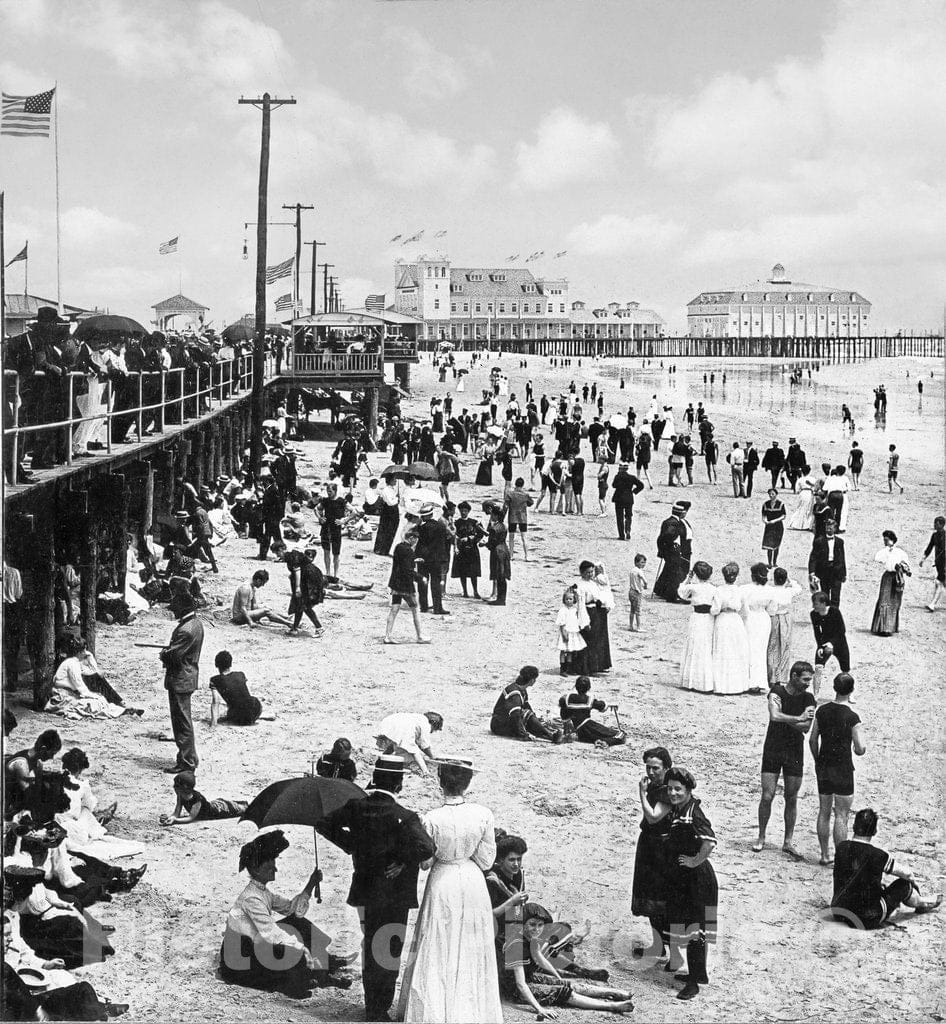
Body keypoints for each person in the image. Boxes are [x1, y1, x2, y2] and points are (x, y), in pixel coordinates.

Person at [316, 756, 436, 1022]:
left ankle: (372, 1007)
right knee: (389, 950)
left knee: (370, 945)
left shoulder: (356, 807)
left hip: (366, 889)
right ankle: (380, 1009)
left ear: (375, 779)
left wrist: (352, 845)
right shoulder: (404, 817)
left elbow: (323, 824)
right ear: (399, 784)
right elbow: (427, 848)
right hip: (395, 895)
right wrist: (403, 860)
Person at [397, 759, 502, 1023]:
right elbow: (487, 861)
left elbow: (425, 862)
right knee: (471, 943)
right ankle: (471, 1010)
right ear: (467, 783)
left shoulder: (431, 818)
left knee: (438, 942)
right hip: (471, 880)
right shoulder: (483, 814)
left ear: (440, 781)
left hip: (442, 880)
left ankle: (437, 1011)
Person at [219, 830, 347, 997]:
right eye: (270, 866)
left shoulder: (262, 892)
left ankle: (323, 967)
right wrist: (303, 949)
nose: (276, 869)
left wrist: (311, 884)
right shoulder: (252, 899)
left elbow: (291, 909)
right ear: (256, 870)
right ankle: (306, 977)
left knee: (299, 924)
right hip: (240, 959)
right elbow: (271, 934)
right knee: (290, 951)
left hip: (255, 942)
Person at [496, 901, 634, 1015]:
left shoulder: (533, 937)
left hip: (528, 976)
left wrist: (558, 977)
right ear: (523, 924)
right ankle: (611, 1006)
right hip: (513, 989)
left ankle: (612, 992)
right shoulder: (515, 945)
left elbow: (540, 958)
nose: (536, 929)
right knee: (562, 992)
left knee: (565, 984)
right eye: (532, 924)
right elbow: (520, 984)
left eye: (540, 925)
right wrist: (540, 1009)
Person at [2, 904, 129, 1022]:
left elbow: (25, 953)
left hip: (28, 998)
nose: (11, 939)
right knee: (78, 992)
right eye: (6, 935)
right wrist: (38, 1011)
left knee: (79, 988)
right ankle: (102, 1010)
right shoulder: (5, 968)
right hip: (27, 1011)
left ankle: (101, 1008)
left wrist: (46, 964)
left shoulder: (11, 920)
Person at [830, 809, 941, 929]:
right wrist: (913, 884)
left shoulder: (841, 847)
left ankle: (920, 902)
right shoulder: (878, 855)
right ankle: (921, 903)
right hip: (866, 919)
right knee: (904, 885)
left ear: (854, 826)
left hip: (839, 912)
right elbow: (907, 874)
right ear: (874, 831)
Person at [662, 767, 718, 1001]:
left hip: (697, 880)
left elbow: (710, 841)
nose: (673, 793)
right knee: (691, 927)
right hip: (685, 879)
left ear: (688, 790)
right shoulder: (680, 809)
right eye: (670, 788)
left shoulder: (694, 812)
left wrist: (694, 861)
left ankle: (693, 983)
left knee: (696, 930)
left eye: (678, 789)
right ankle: (699, 973)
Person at [753, 661, 816, 859]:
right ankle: (761, 836)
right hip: (773, 748)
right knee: (767, 795)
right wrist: (798, 718)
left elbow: (806, 727)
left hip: (794, 751)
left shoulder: (809, 698)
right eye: (805, 679)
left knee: (791, 797)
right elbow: (774, 716)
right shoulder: (777, 690)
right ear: (794, 676)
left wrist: (789, 718)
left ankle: (787, 841)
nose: (808, 683)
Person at [809, 673, 866, 865]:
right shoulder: (852, 716)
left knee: (823, 811)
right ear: (851, 690)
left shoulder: (822, 711)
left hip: (824, 765)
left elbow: (812, 739)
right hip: (842, 767)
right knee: (841, 815)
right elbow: (859, 748)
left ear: (834, 688)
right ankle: (841, 859)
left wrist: (818, 760)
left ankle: (825, 854)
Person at [631, 747, 673, 962]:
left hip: (662, 848)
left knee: (660, 900)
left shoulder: (668, 790)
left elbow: (654, 817)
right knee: (649, 898)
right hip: (649, 844)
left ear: (666, 767)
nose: (651, 772)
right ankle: (659, 947)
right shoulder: (656, 786)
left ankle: (669, 950)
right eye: (648, 767)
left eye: (655, 768)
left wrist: (641, 793)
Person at [159, 593, 203, 775]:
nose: (173, 611)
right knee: (184, 721)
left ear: (182, 608)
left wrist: (164, 654)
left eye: (175, 608)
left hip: (180, 679)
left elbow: (175, 656)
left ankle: (186, 761)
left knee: (181, 723)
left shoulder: (185, 630)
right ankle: (189, 757)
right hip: (187, 677)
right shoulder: (196, 624)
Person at [44, 637, 138, 720]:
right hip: (64, 694)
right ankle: (122, 709)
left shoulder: (75, 662)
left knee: (98, 686)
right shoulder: (72, 664)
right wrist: (93, 695)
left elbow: (93, 671)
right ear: (79, 652)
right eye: (84, 651)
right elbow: (79, 685)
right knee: (96, 702)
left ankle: (121, 707)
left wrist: (90, 656)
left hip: (72, 691)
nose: (85, 653)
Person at [490, 666, 563, 743]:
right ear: (531, 680)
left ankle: (550, 736)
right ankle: (551, 736)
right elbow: (515, 714)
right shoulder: (515, 693)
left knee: (530, 718)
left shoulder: (521, 689)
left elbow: (526, 707)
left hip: (505, 721)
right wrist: (523, 734)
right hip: (499, 725)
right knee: (527, 715)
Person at [709, 563, 750, 695]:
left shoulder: (719, 590)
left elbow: (715, 610)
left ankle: (722, 685)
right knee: (736, 651)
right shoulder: (740, 591)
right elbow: (745, 611)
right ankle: (736, 685)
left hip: (723, 620)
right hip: (735, 621)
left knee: (722, 650)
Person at [384, 529, 430, 645]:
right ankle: (419, 636)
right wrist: (421, 578)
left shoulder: (398, 547)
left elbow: (402, 562)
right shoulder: (409, 551)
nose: (415, 543)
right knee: (415, 609)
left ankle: (387, 636)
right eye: (415, 540)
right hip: (405, 585)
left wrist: (414, 560)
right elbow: (408, 570)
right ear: (411, 538)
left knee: (394, 609)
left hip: (395, 583)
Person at [4, 729, 62, 819]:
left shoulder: (35, 759)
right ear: (43, 749)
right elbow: (29, 796)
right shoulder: (21, 763)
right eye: (52, 753)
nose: (52, 757)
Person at [678, 562, 716, 693]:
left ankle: (692, 680)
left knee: (694, 646)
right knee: (706, 647)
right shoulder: (713, 588)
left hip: (697, 617)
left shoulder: (693, 587)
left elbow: (681, 593)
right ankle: (706, 682)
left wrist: (688, 578)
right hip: (709, 618)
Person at [159, 771, 247, 825]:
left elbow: (191, 818)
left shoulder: (197, 799)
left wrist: (176, 821)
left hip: (217, 810)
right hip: (214, 805)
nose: (174, 787)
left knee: (241, 809)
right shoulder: (180, 796)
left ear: (184, 788)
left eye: (176, 786)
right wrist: (170, 818)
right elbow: (176, 813)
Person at [209, 650, 270, 727]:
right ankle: (259, 715)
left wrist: (213, 724)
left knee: (231, 710)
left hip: (239, 717)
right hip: (255, 710)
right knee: (244, 703)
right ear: (230, 664)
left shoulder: (215, 680)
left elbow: (215, 702)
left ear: (216, 665)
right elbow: (244, 693)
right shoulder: (241, 674)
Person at [557, 676, 626, 745]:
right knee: (620, 735)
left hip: (575, 730)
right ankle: (605, 742)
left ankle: (570, 736)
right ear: (588, 688)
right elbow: (601, 706)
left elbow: (563, 713)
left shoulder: (567, 698)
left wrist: (567, 724)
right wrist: (609, 704)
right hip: (587, 727)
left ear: (576, 686)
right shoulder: (589, 700)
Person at [765, 567, 802, 688]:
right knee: (785, 646)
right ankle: (782, 676)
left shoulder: (771, 591)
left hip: (774, 618)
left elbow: (771, 608)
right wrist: (790, 580)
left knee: (772, 647)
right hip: (785, 618)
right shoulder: (788, 591)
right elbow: (798, 588)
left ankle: (772, 677)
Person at [374, 711, 443, 776]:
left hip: (388, 722)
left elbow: (396, 742)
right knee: (410, 754)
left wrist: (384, 755)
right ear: (433, 723)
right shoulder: (425, 723)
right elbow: (424, 745)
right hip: (400, 726)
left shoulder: (416, 718)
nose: (432, 732)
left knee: (397, 743)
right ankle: (425, 772)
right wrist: (432, 757)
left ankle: (381, 760)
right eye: (434, 729)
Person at [575, 561, 613, 674]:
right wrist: (584, 621)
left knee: (600, 639)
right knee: (590, 639)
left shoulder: (594, 582)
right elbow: (581, 605)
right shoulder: (580, 585)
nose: (590, 574)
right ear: (581, 573)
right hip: (588, 612)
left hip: (598, 611)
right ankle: (589, 667)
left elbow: (604, 589)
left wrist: (606, 604)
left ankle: (600, 665)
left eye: (592, 572)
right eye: (587, 572)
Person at [870, 529, 911, 636]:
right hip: (887, 577)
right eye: (884, 540)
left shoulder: (900, 552)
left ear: (892, 540)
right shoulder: (884, 551)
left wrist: (901, 567)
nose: (885, 542)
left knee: (894, 601)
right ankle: (882, 628)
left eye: (886, 540)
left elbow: (906, 565)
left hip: (897, 578)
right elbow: (877, 558)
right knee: (884, 600)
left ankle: (889, 627)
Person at [810, 591, 851, 694]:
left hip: (839, 642)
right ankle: (815, 694)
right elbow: (817, 632)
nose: (813, 606)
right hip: (824, 643)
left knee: (845, 669)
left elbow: (842, 630)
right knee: (818, 668)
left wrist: (831, 643)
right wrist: (820, 646)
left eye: (816, 604)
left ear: (823, 603)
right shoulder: (813, 614)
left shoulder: (835, 612)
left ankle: (849, 693)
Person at [741, 563, 772, 695]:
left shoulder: (745, 589)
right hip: (764, 619)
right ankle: (759, 681)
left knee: (749, 649)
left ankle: (749, 681)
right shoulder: (769, 590)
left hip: (751, 619)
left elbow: (743, 607)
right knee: (760, 651)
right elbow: (772, 609)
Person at [416, 503, 452, 616]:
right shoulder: (441, 526)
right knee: (436, 584)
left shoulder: (422, 528)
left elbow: (419, 544)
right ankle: (437, 607)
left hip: (424, 559)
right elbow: (446, 542)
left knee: (422, 582)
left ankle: (423, 606)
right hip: (436, 559)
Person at [653, 501, 693, 603]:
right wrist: (674, 544)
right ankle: (672, 595)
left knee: (669, 570)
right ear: (681, 513)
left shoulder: (671, 521)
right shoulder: (674, 523)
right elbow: (667, 536)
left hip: (673, 551)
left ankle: (660, 590)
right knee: (677, 573)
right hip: (675, 552)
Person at [285, 549, 325, 637]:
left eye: (277, 553)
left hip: (310, 580)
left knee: (305, 606)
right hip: (307, 579)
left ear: (281, 550)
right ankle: (294, 628)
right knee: (300, 605)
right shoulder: (293, 555)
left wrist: (298, 587)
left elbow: (297, 570)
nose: (277, 555)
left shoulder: (292, 557)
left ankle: (319, 628)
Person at [451, 501, 486, 599]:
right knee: (462, 571)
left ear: (468, 511)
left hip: (472, 549)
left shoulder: (474, 522)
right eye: (462, 511)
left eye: (465, 511)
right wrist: (457, 542)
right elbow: (453, 536)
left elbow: (481, 533)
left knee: (473, 572)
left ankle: (475, 591)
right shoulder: (456, 523)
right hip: (461, 549)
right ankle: (465, 591)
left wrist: (471, 539)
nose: (463, 513)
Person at [808, 518, 846, 607]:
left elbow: (842, 558)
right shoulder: (819, 541)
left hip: (836, 571)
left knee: (836, 596)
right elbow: (813, 557)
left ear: (835, 529)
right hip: (824, 571)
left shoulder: (840, 542)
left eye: (831, 528)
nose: (828, 530)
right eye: (827, 528)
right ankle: (826, 616)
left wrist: (844, 574)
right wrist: (812, 572)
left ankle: (834, 616)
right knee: (825, 595)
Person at [316, 482, 348, 579]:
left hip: (336, 529)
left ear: (335, 491)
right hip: (326, 528)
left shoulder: (341, 501)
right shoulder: (325, 500)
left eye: (330, 491)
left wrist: (344, 520)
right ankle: (328, 572)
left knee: (336, 553)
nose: (328, 493)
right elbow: (316, 509)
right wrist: (320, 518)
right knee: (326, 551)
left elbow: (354, 511)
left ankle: (336, 574)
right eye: (327, 491)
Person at [556, 587, 588, 676]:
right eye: (566, 599)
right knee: (563, 651)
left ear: (574, 600)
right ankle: (562, 669)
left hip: (573, 632)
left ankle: (569, 668)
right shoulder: (562, 610)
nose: (568, 601)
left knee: (570, 651)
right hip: (566, 632)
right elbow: (561, 624)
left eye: (570, 599)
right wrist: (563, 634)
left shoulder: (574, 610)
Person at [483, 503, 511, 606]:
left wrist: (484, 544)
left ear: (495, 515)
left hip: (497, 551)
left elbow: (492, 543)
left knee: (499, 575)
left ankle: (500, 599)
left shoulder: (495, 528)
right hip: (504, 549)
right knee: (502, 576)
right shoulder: (503, 526)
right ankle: (501, 598)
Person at [611, 462, 644, 541]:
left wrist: (618, 474)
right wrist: (634, 491)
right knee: (628, 515)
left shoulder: (617, 476)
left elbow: (613, 485)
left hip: (619, 498)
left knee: (620, 517)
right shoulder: (631, 477)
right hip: (628, 498)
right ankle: (628, 530)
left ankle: (621, 535)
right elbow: (641, 485)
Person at [920, 515, 946, 611]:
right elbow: (929, 548)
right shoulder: (934, 536)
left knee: (939, 582)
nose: (934, 525)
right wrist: (923, 559)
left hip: (944, 564)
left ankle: (932, 604)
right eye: (934, 523)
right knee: (942, 583)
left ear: (942, 525)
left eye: (937, 523)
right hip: (939, 564)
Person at [505, 478, 533, 560]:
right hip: (522, 518)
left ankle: (511, 555)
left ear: (515, 484)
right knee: (524, 537)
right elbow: (530, 503)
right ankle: (526, 555)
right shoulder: (525, 495)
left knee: (511, 537)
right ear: (522, 485)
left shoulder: (510, 494)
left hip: (512, 517)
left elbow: (506, 505)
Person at [373, 474, 400, 557]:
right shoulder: (386, 490)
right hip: (388, 511)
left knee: (392, 529)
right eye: (394, 479)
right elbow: (390, 502)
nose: (395, 481)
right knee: (385, 529)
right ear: (390, 480)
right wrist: (397, 499)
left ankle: (388, 548)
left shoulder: (392, 489)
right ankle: (381, 549)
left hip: (393, 511)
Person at [761, 488, 786, 567]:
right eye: (770, 494)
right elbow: (764, 515)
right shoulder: (766, 504)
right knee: (769, 546)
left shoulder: (780, 504)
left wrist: (774, 521)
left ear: (776, 494)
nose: (771, 496)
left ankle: (774, 562)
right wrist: (765, 520)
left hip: (778, 527)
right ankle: (769, 563)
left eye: (773, 494)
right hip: (769, 527)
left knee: (776, 545)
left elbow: (783, 516)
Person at [628, 554, 648, 632]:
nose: (643, 564)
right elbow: (645, 580)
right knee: (638, 611)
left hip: (631, 591)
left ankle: (630, 625)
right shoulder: (639, 571)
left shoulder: (632, 570)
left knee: (632, 610)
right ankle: (639, 627)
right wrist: (645, 585)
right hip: (637, 592)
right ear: (636, 562)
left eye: (644, 563)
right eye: (642, 562)